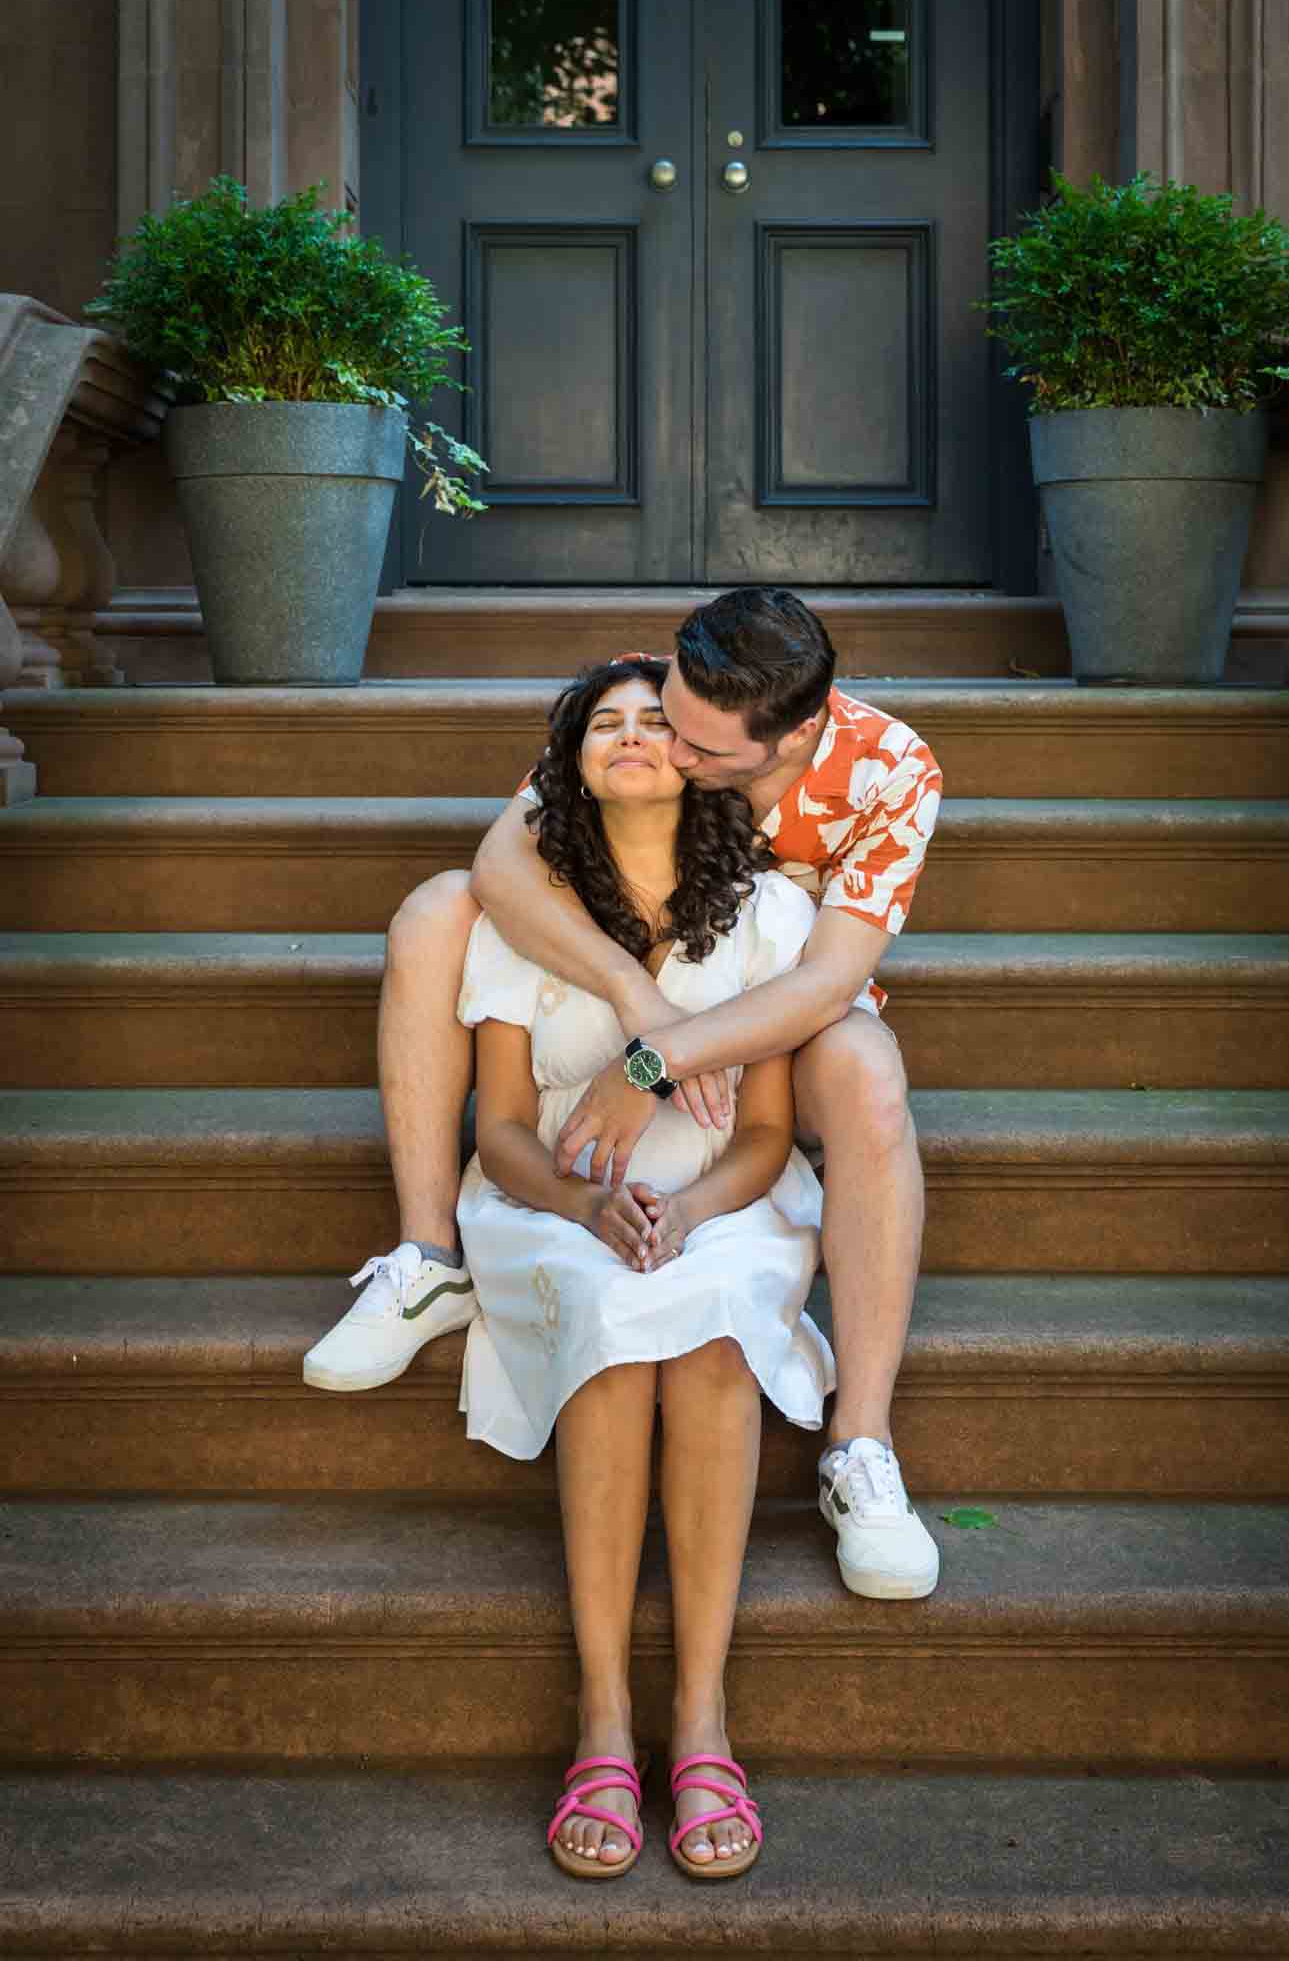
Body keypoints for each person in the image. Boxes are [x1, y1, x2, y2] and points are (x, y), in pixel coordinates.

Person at [305, 587, 942, 1606]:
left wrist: (654, 1062)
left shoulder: (890, 771)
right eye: (666, 721)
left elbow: (823, 982)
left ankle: (858, 1442)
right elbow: (503, 859)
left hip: (784, 1022)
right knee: (435, 912)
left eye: (702, 752)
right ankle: (429, 1254)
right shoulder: (657, 695)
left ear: (797, 732)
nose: (672, 752)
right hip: (632, 984)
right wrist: (643, 1008)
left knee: (869, 1071)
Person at [448, 656, 831, 1876]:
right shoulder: (530, 913)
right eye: (600, 723)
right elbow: (501, 1123)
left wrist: (687, 1200)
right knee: (613, 1331)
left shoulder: (770, 913)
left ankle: (702, 1716)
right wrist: (585, 1200)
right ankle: (605, 1718)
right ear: (569, 766)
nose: (628, 734)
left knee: (713, 1324)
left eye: (651, 721)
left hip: (725, 1192)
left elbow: (769, 1135)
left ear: (699, 755)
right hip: (551, 1197)